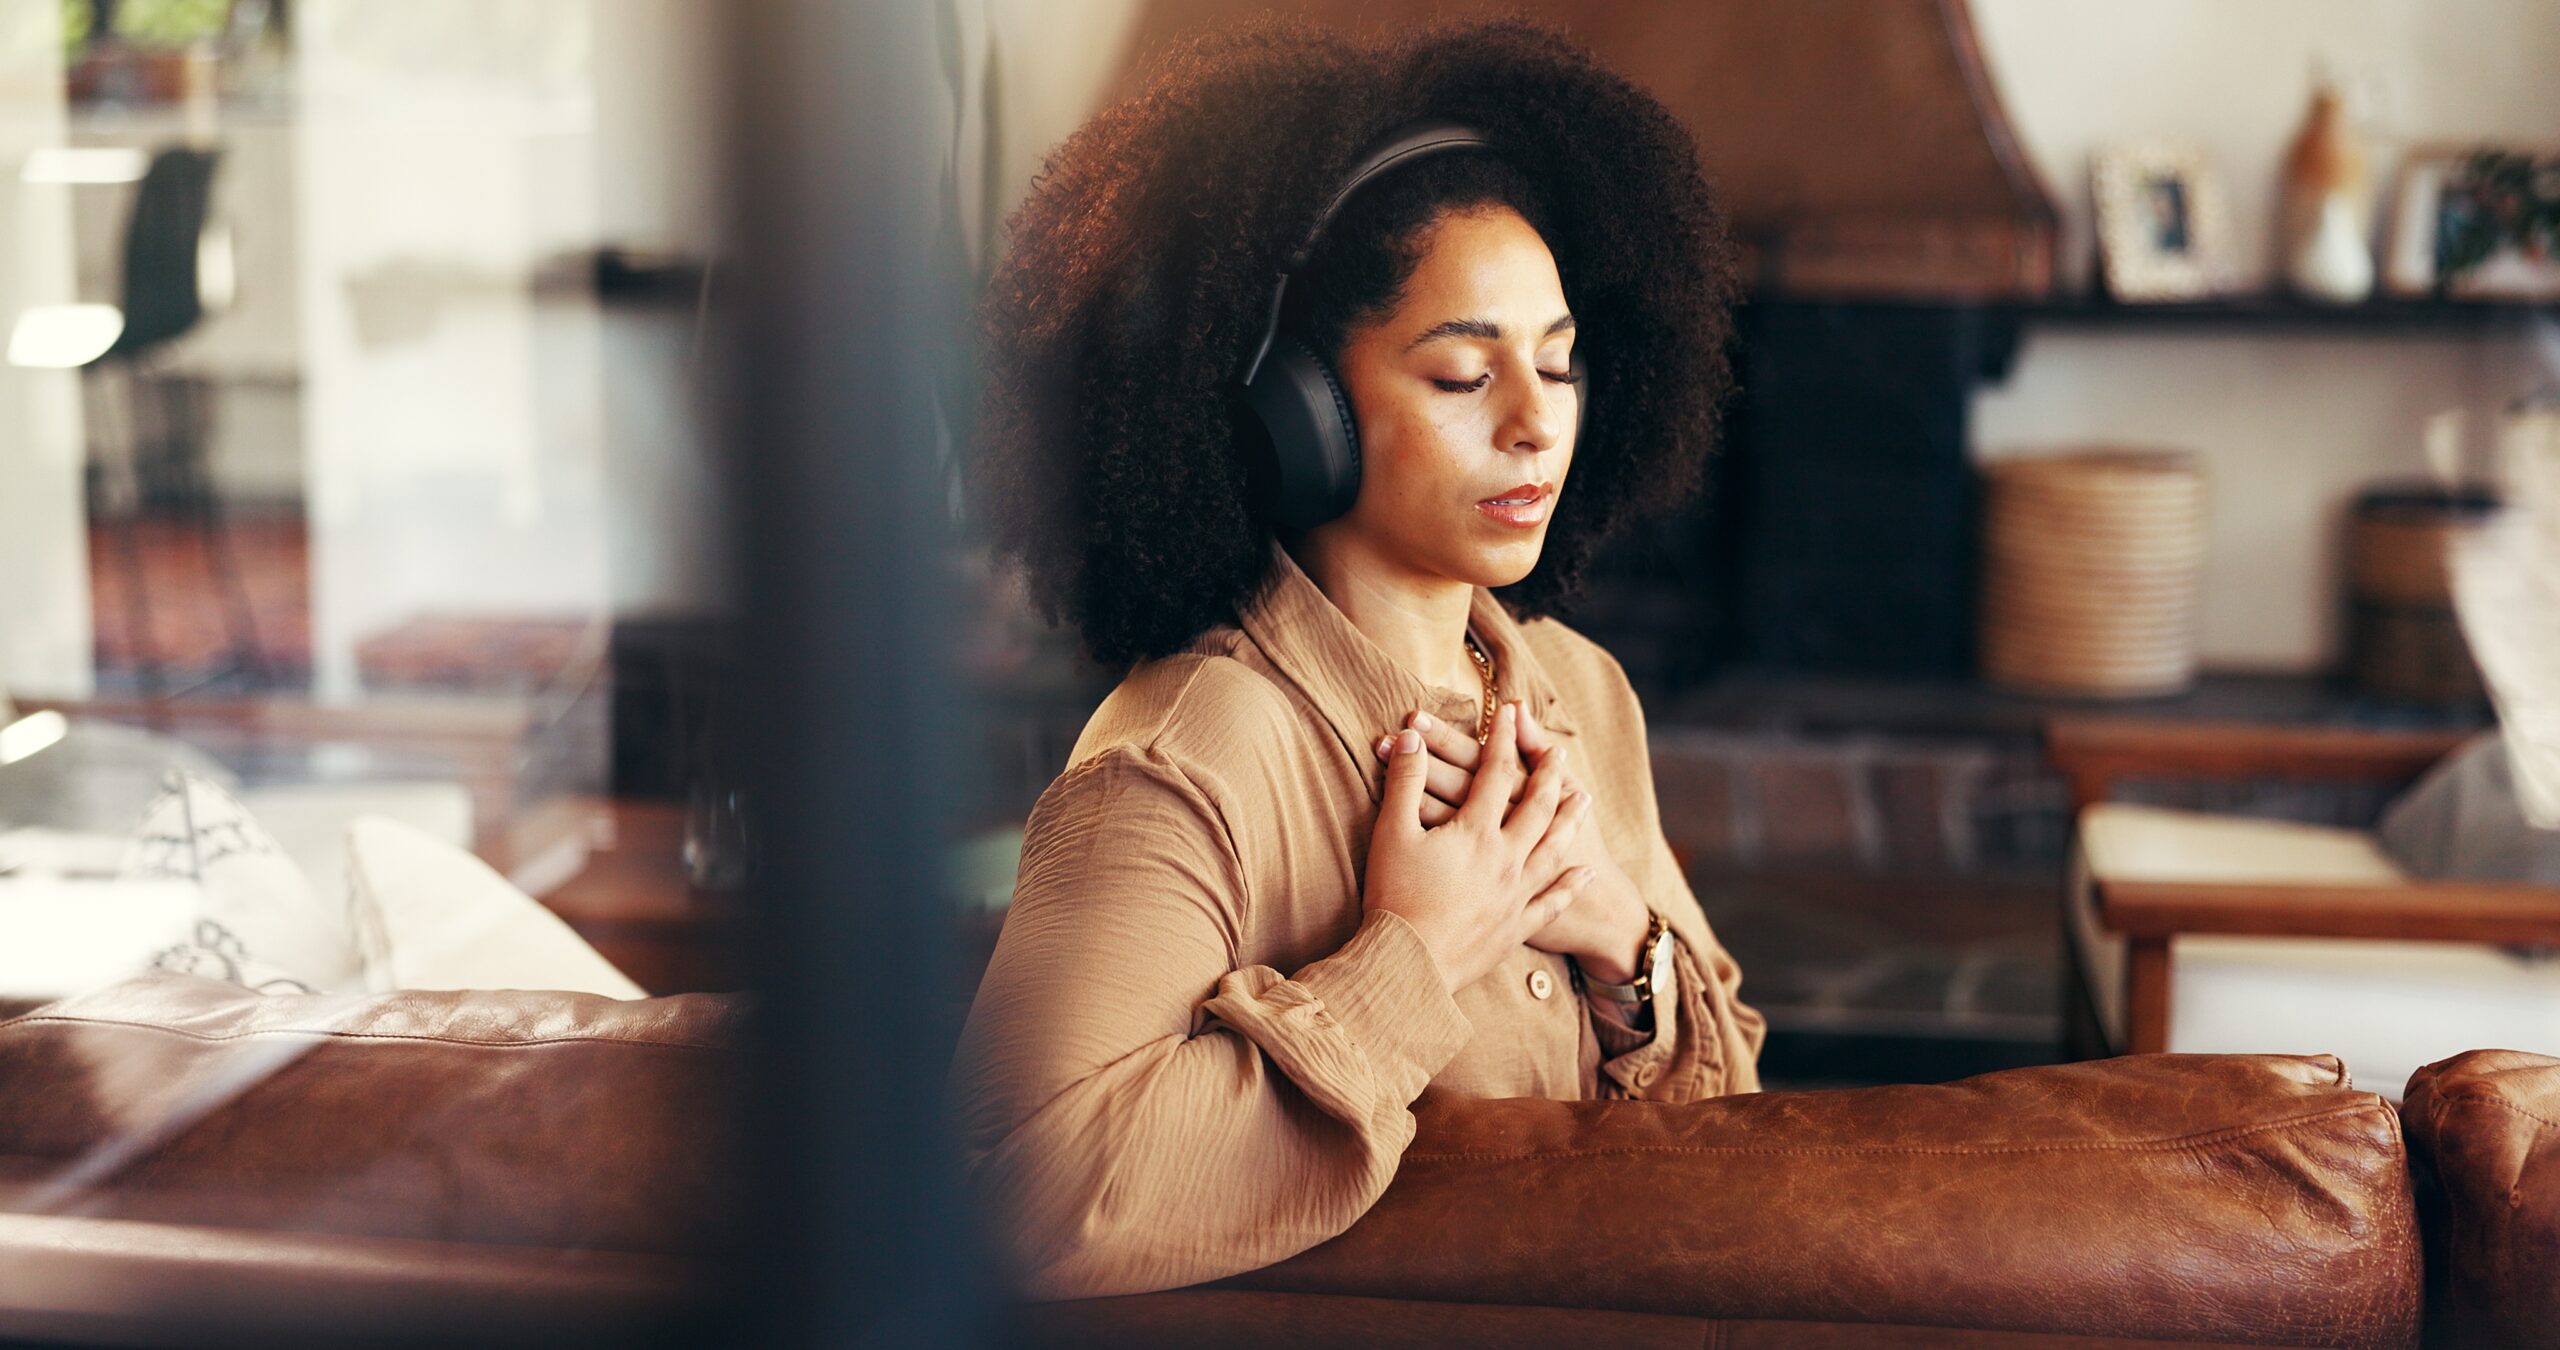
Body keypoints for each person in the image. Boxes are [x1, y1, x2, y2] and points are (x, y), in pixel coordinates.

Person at [953, 18, 1765, 1302]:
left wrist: (1616, 932)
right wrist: (1415, 955)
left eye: (1558, 365)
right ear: (1299, 412)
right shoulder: (1187, 760)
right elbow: (1012, 1199)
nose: (1534, 422)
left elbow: (1734, 1116)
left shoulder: (1578, 691)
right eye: (1460, 374)